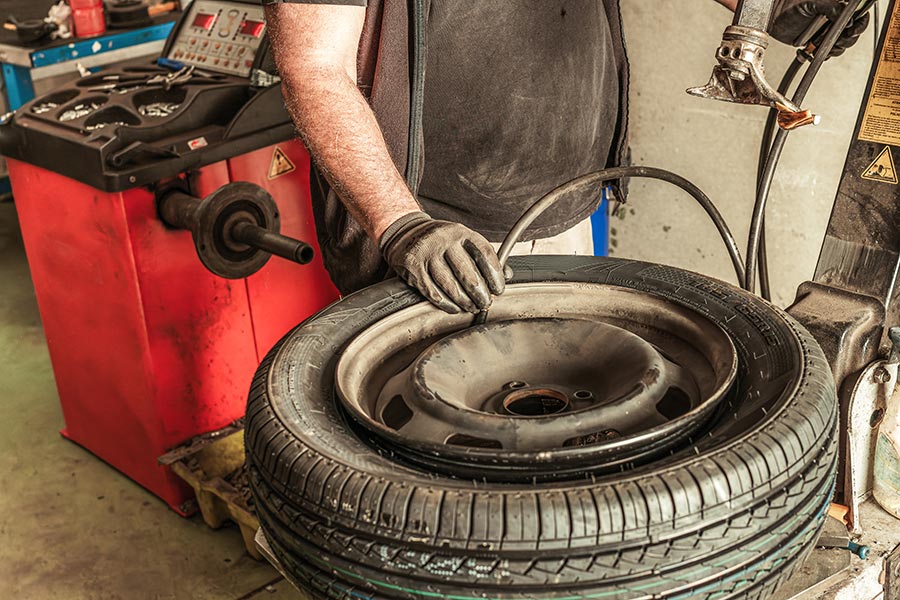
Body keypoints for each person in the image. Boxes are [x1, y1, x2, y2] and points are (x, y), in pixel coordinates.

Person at [262, 0, 868, 314]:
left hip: (561, 207)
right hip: (433, 241)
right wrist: (401, 226)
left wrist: (777, 9)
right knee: (444, 461)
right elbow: (314, 68)